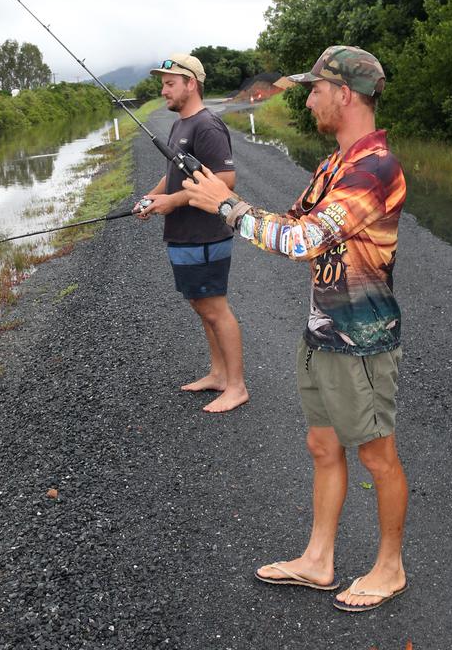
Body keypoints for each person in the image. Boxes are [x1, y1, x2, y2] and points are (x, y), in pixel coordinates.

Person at [183, 45, 408, 612]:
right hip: (322, 332)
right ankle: (318, 560)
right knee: (321, 444)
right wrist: (220, 198)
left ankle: (390, 568)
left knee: (377, 457)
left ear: (345, 94)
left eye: (314, 90)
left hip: (361, 342)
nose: (308, 100)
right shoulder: (333, 165)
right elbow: (291, 223)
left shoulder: (374, 170)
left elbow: (303, 242)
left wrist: (229, 207)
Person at [135, 53, 249, 414]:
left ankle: (237, 386)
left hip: (206, 235)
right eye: (163, 83)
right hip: (184, 234)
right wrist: (155, 197)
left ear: (191, 84)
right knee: (202, 307)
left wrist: (173, 201)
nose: (164, 89)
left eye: (170, 83)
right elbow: (174, 175)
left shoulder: (206, 126)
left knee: (216, 309)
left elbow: (226, 180)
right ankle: (218, 374)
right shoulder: (180, 124)